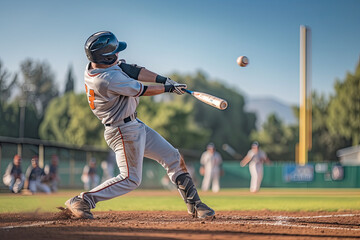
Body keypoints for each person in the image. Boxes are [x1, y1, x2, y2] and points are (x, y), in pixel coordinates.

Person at [64, 31, 215, 220]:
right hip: (122, 130)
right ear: (106, 56)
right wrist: (168, 88)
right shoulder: (107, 79)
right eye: (114, 51)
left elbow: (131, 69)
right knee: (130, 179)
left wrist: (163, 79)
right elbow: (141, 89)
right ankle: (83, 200)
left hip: (133, 124)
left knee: (173, 157)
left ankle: (195, 204)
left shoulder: (96, 66)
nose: (118, 54)